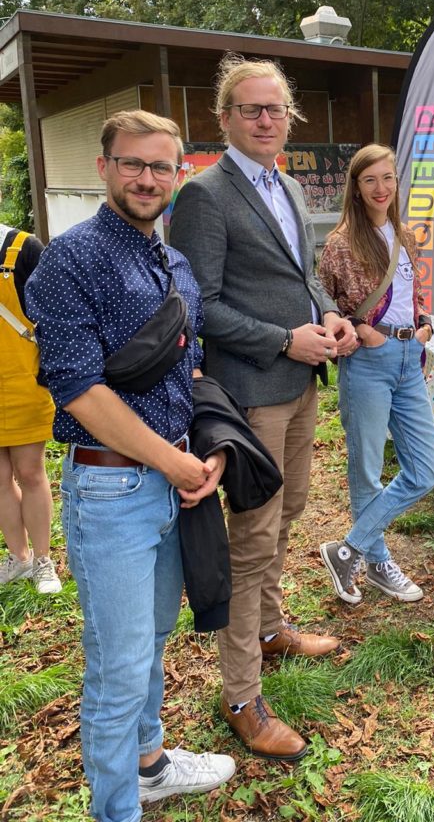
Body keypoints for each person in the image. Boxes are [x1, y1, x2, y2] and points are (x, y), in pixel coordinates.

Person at [25, 110, 236, 822]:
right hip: (112, 486)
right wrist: (175, 463)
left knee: (148, 642)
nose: (147, 179)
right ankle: (116, 810)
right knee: (116, 670)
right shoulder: (70, 260)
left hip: (174, 482)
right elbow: (80, 389)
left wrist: (205, 449)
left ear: (180, 173)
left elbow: (190, 368)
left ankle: (149, 765)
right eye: (132, 164)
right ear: (105, 169)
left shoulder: (173, 263)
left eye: (161, 166)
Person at [169, 55, 357, 761]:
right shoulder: (205, 196)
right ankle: (241, 696)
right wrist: (286, 339)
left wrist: (331, 316)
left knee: (291, 511)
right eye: (251, 109)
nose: (266, 119)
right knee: (251, 544)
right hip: (249, 393)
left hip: (301, 384)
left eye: (275, 108)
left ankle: (272, 630)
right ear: (224, 119)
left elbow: (302, 278)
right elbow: (200, 307)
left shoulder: (284, 183)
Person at [317, 143, 434, 605]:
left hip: (410, 359)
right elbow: (322, 301)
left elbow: (413, 291)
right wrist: (364, 332)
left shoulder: (406, 235)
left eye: (388, 178)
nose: (381, 188)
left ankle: (348, 549)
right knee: (367, 469)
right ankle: (377, 562)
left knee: (424, 471)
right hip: (369, 362)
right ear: (356, 186)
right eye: (370, 179)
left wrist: (424, 324)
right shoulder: (341, 242)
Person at [0, 223, 60, 594]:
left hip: (22, 382)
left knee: (31, 472)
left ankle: (43, 560)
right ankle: (18, 558)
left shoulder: (24, 249)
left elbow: (54, 317)